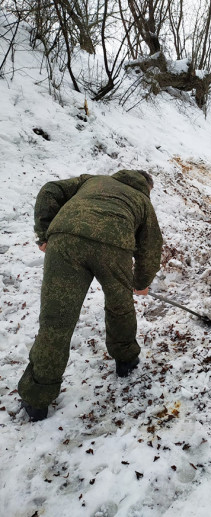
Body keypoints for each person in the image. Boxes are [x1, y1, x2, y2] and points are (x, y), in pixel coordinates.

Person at [18, 169, 163, 421]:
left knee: (56, 320)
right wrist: (139, 282)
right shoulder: (142, 201)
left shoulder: (92, 181)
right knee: (120, 307)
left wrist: (44, 233)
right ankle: (125, 360)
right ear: (147, 187)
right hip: (113, 246)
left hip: (65, 238)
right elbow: (151, 249)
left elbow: (50, 189)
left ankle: (37, 398)